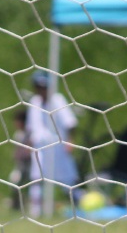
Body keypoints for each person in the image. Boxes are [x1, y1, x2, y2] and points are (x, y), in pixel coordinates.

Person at [24, 70, 78, 214]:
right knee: (36, 177)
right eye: (38, 87)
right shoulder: (34, 101)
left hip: (58, 146)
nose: (41, 90)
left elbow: (70, 123)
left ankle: (77, 205)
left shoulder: (58, 100)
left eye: (43, 87)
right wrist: (28, 144)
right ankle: (35, 211)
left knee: (67, 177)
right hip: (39, 147)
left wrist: (70, 141)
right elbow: (30, 127)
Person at [8, 108, 33, 210]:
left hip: (30, 164)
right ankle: (17, 203)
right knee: (14, 181)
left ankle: (28, 203)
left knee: (30, 184)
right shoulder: (18, 134)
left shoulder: (30, 133)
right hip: (20, 165)